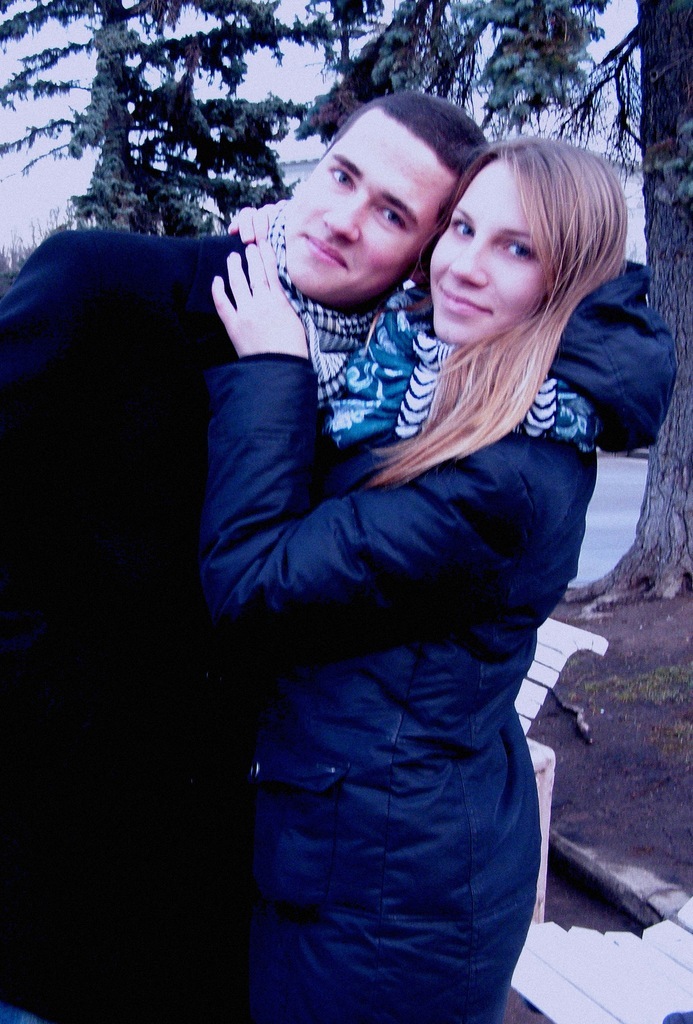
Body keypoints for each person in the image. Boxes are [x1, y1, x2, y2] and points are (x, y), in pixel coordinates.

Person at [0, 93, 486, 1024]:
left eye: (391, 214)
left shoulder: (393, 404)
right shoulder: (104, 284)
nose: (342, 219)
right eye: (340, 176)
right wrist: (56, 709)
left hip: (231, 897)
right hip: (50, 860)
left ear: (424, 260)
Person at [200, 137, 676, 1024]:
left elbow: (257, 584)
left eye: (516, 248)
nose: (463, 266)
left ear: (566, 281)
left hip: (382, 901)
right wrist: (289, 247)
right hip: (384, 846)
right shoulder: (431, 373)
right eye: (461, 229)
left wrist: (270, 368)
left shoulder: (504, 471)